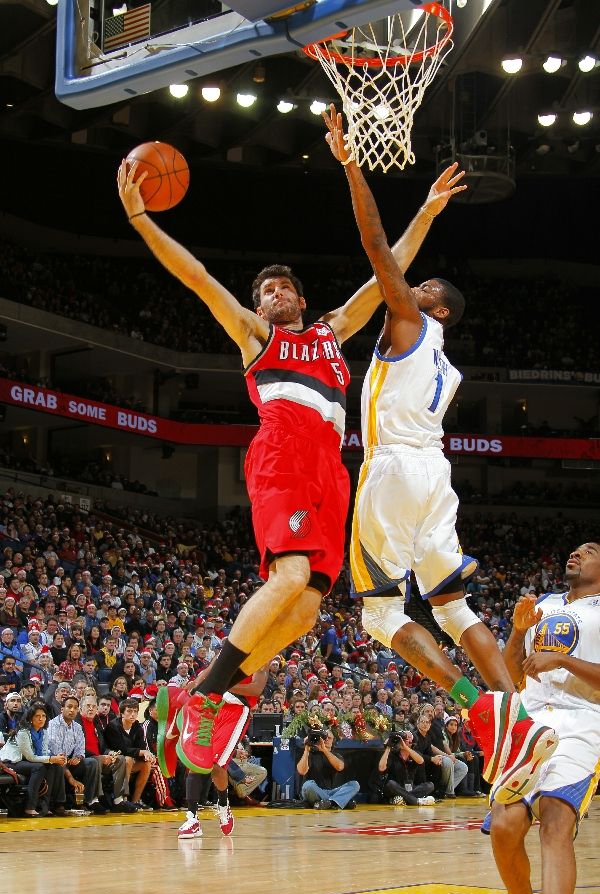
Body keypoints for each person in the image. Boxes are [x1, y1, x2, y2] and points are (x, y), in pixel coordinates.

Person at [117, 123, 464, 776]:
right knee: (292, 578)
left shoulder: (332, 330)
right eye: (264, 292)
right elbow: (197, 278)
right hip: (280, 455)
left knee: (304, 613)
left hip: (332, 475)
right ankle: (205, 696)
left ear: (302, 301)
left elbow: (388, 268)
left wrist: (427, 210)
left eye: (282, 290)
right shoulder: (255, 337)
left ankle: (210, 689)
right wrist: (141, 220)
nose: (272, 295)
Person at [323, 106, 557, 801]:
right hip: (436, 477)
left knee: (379, 616)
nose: (411, 282)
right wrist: (426, 208)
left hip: (392, 470)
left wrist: (350, 165)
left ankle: (478, 706)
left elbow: (374, 245)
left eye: (422, 285)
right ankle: (524, 715)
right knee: (455, 609)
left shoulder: (410, 319)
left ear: (438, 308)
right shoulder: (445, 364)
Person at [486, 542, 600, 894]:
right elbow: (507, 674)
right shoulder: (542, 605)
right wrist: (519, 632)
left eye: (591, 551)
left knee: (555, 823)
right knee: (505, 826)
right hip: (530, 722)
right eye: (576, 550)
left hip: (581, 722)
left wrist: (563, 661)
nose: (578, 554)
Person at [176, 660, 268, 839]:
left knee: (217, 765)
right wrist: (195, 684)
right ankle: (192, 818)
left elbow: (256, 689)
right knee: (196, 761)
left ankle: (223, 806)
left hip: (236, 710)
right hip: (211, 706)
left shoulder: (261, 657)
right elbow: (209, 672)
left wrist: (226, 685)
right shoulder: (229, 649)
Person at [0, 701, 67, 816]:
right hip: (12, 761)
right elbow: (30, 757)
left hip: (27, 761)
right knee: (40, 767)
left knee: (54, 767)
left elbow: (45, 753)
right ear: (31, 718)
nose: (41, 719)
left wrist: (56, 758)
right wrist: (51, 758)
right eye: (37, 716)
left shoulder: (44, 732)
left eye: (44, 716)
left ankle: (45, 806)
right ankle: (30, 807)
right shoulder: (23, 732)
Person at [47, 695, 105, 814]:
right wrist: (71, 778)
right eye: (69, 707)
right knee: (58, 764)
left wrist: (78, 758)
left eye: (75, 708)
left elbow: (80, 749)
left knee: (92, 762)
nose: (72, 710)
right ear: (62, 709)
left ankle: (86, 801)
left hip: (69, 760)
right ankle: (59, 803)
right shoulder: (53, 724)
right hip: (54, 760)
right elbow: (55, 752)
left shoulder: (77, 727)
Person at [78, 695, 136, 812]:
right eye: (88, 706)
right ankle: (94, 800)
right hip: (85, 759)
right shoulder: (78, 724)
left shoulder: (96, 724)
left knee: (120, 759)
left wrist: (110, 753)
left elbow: (103, 746)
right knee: (96, 760)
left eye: (93, 706)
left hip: (100, 758)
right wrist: (101, 756)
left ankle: (119, 800)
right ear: (81, 708)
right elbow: (78, 748)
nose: (91, 709)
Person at [104, 698, 154, 810]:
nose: (133, 714)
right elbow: (121, 749)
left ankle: (136, 800)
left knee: (146, 764)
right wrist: (142, 752)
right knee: (128, 759)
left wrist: (148, 755)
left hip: (129, 761)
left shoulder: (137, 726)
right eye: (129, 711)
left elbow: (141, 747)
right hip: (112, 761)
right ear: (122, 713)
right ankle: (122, 799)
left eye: (135, 711)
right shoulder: (113, 727)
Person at [296, 727, 359, 810]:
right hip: (313, 791)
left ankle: (329, 803)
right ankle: (337, 802)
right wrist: (307, 749)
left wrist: (324, 750)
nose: (326, 740)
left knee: (354, 785)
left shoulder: (336, 755)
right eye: (324, 737)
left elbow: (340, 767)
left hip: (331, 791)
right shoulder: (309, 754)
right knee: (308, 785)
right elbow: (301, 771)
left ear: (333, 741)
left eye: (329, 738)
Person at [370, 729, 435, 806]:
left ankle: (402, 799)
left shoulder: (414, 753)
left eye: (408, 737)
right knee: (391, 784)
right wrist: (388, 747)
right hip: (395, 788)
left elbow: (421, 761)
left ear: (412, 741)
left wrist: (406, 747)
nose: (405, 739)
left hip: (409, 788)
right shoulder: (393, 754)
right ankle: (416, 801)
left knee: (430, 785)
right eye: (404, 737)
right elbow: (381, 768)